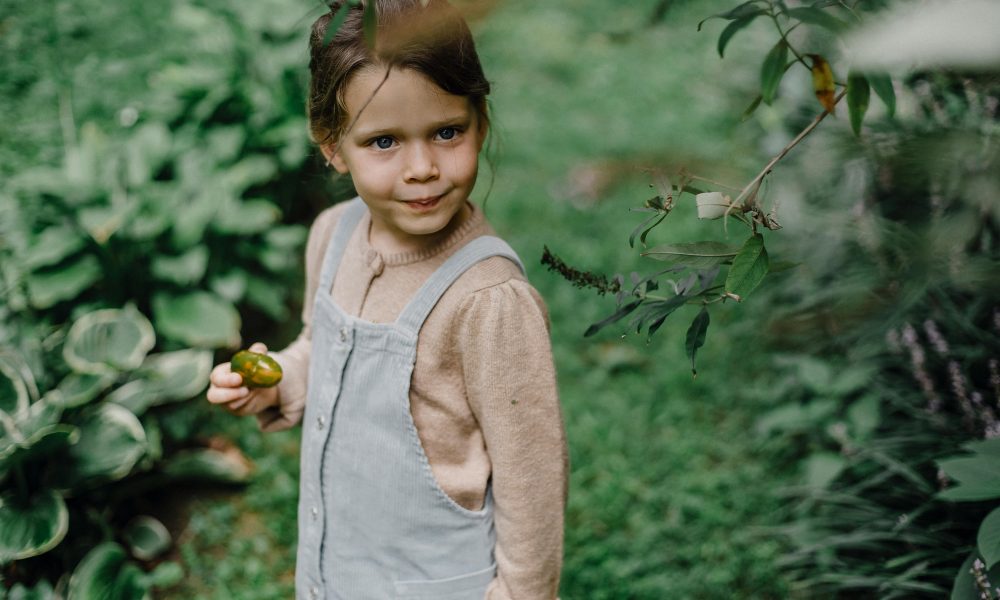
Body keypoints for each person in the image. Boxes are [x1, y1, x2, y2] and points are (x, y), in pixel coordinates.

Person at [205, 1, 568, 598]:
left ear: (480, 121)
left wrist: (524, 591)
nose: (422, 167)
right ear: (331, 144)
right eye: (383, 141)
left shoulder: (488, 300)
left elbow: (533, 475)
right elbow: (321, 347)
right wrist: (279, 382)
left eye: (447, 131)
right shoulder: (334, 234)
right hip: (337, 571)